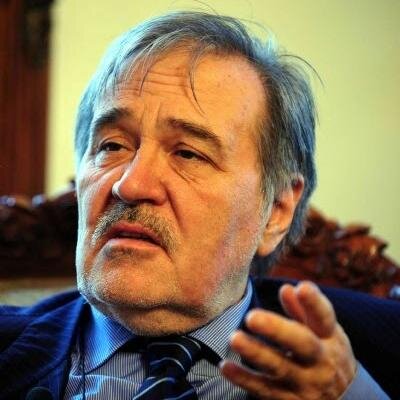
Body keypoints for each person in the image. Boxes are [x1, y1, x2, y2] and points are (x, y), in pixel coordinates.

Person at [0, 11, 399, 400]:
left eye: (188, 154)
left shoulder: (377, 351)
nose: (130, 185)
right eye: (112, 146)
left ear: (277, 210)